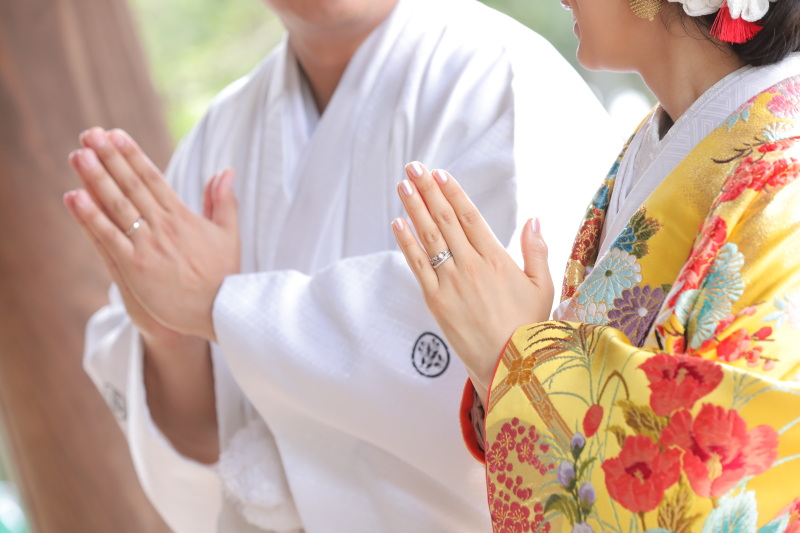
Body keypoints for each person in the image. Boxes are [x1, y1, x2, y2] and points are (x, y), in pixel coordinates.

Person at [62, 0, 619, 531]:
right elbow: (204, 480)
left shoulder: (503, 79)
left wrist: (220, 307)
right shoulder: (220, 132)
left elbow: (506, 375)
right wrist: (170, 340)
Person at [392, 0, 800, 531]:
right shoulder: (658, 139)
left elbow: (734, 485)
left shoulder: (784, 188)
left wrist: (518, 360)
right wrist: (503, 360)